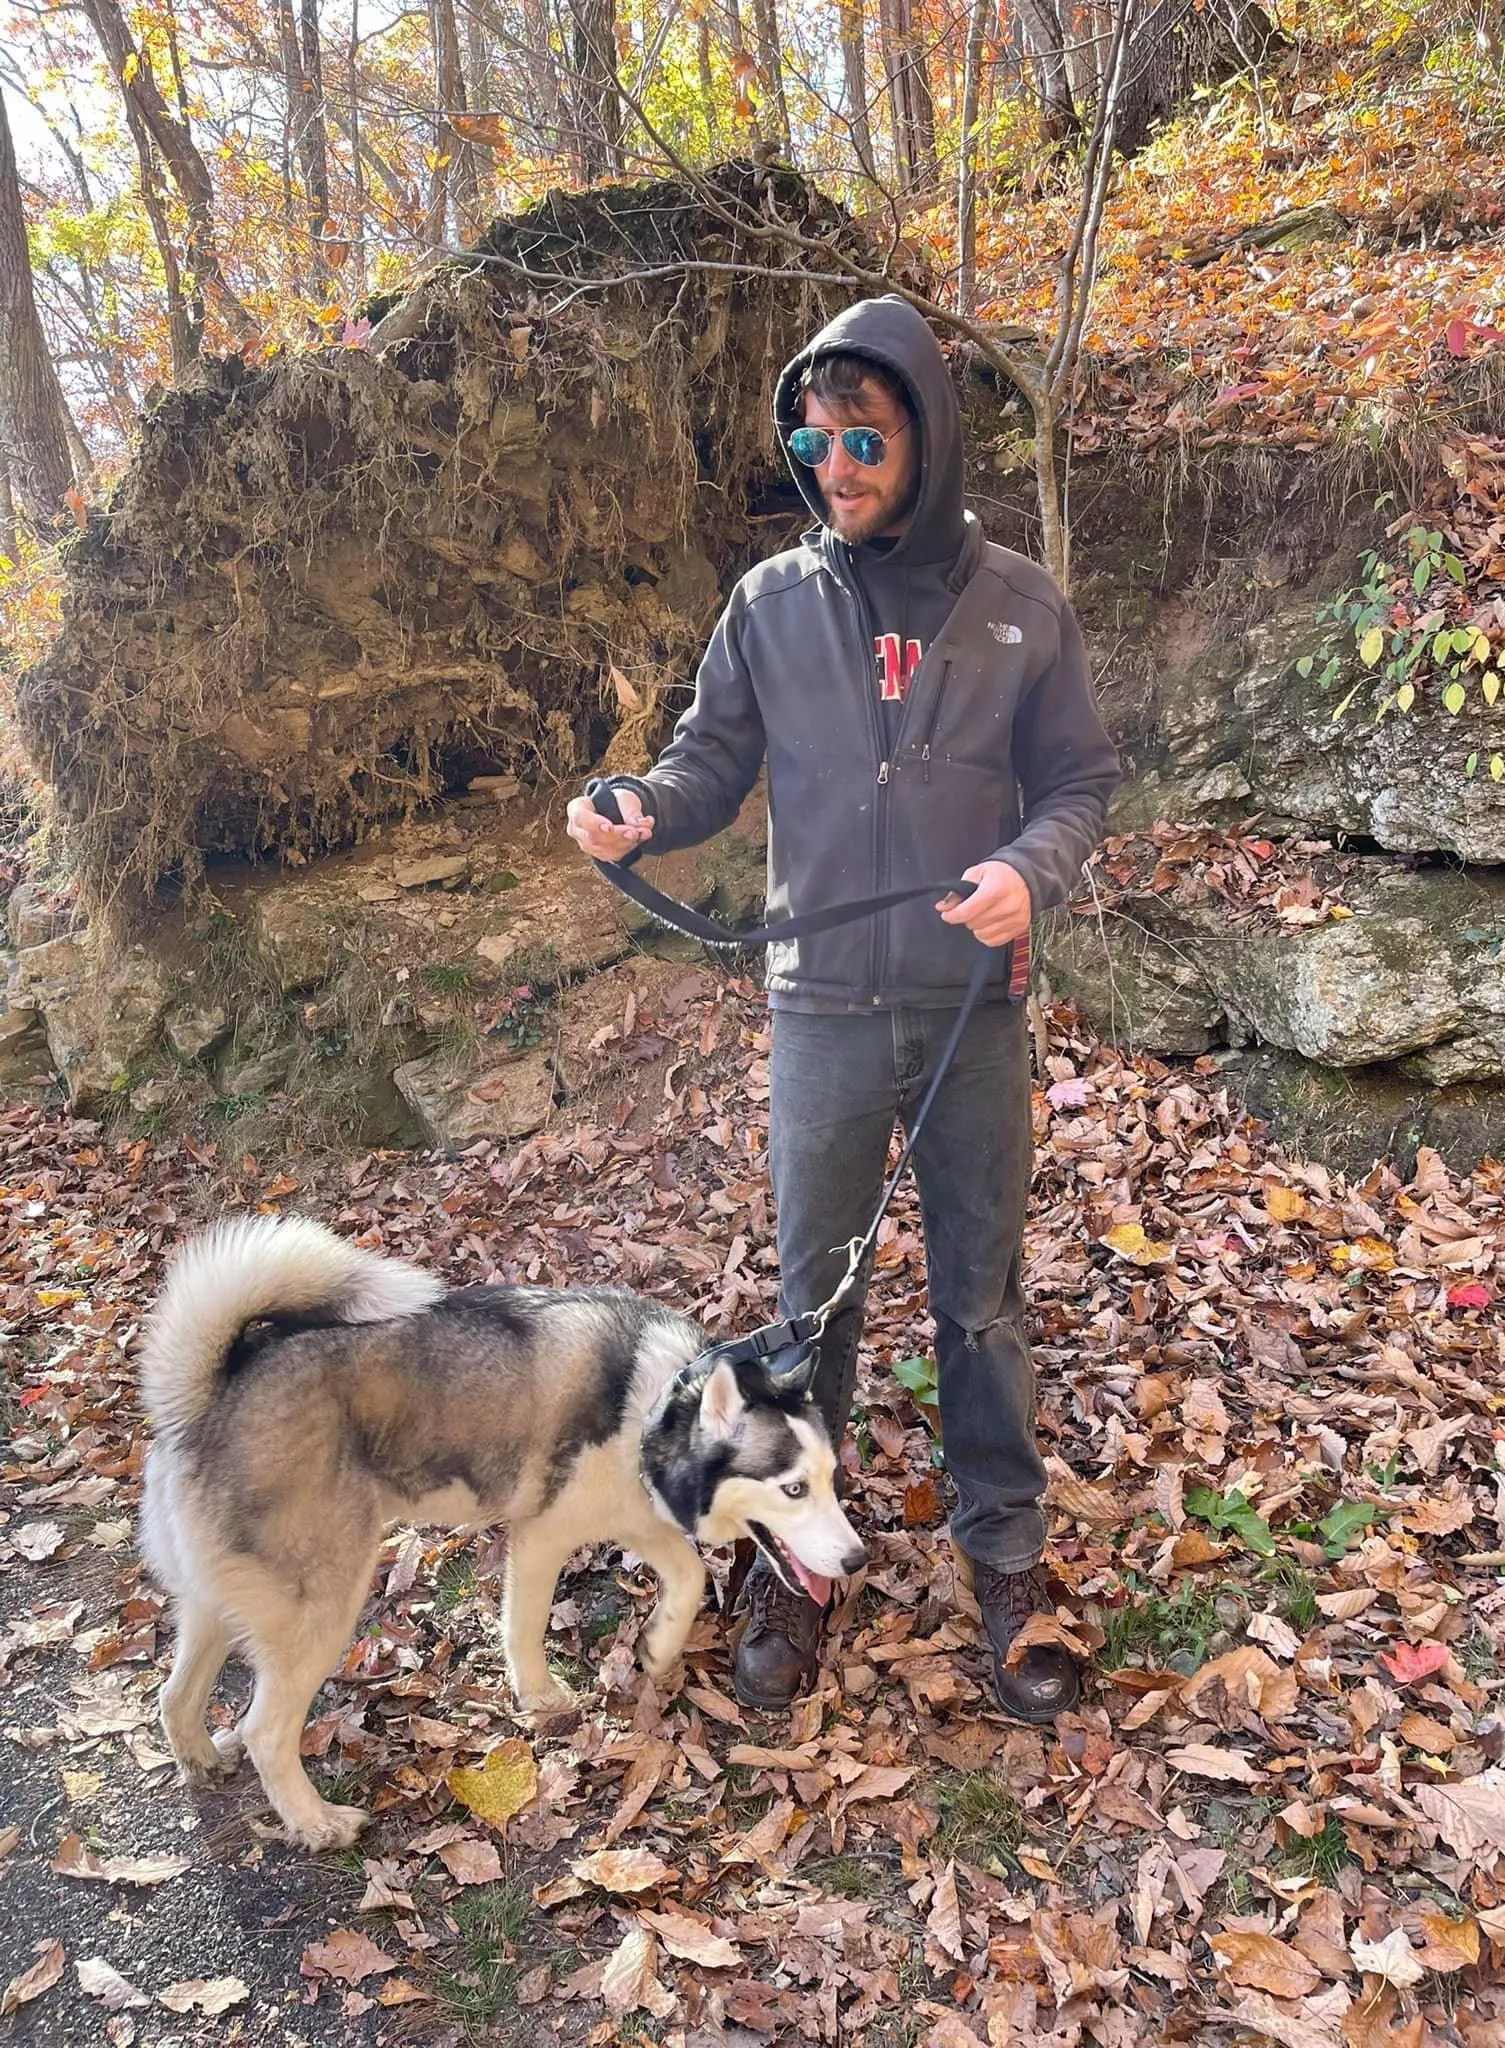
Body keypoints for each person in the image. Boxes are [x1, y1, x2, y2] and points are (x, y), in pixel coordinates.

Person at [567, 296, 1119, 1721]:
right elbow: (707, 762)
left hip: (969, 1010)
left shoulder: (1020, 606)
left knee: (980, 1297)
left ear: (926, 435)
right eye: (812, 443)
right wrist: (641, 807)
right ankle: (798, 1563)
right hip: (819, 1011)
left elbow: (1078, 783)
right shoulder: (771, 605)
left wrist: (1028, 873)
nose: (836, 467)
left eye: (864, 439)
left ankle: (1007, 1554)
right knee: (810, 1305)